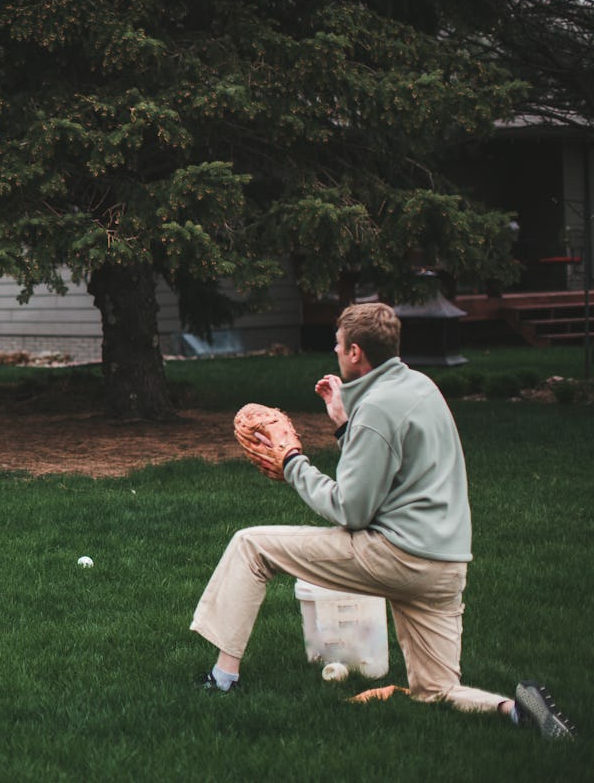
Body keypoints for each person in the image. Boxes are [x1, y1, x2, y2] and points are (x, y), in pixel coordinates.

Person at [190, 302, 575, 740]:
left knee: (250, 544)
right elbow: (388, 464)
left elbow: (351, 511)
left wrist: (293, 461)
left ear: (355, 352)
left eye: (337, 345)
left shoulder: (375, 411)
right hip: (445, 566)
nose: (334, 351)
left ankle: (222, 680)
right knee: (435, 690)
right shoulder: (421, 386)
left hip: (398, 557)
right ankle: (515, 711)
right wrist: (345, 425)